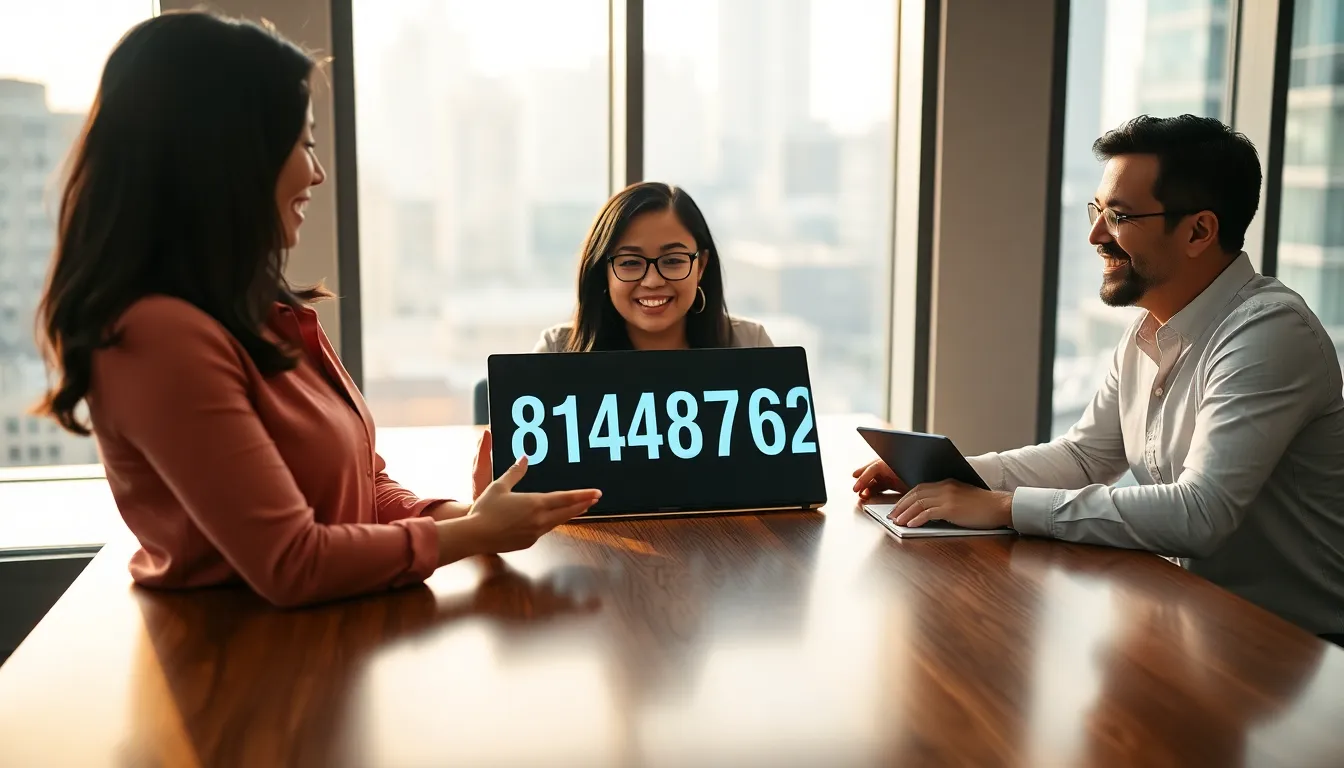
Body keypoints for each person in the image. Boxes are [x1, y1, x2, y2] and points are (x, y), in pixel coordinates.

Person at [35, 11, 600, 609]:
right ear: (228, 155)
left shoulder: (267, 310)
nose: (318, 171)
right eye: (303, 143)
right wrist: (468, 535)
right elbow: (293, 562)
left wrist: (472, 517)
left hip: (330, 645)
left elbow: (365, 487)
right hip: (241, 670)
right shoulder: (158, 336)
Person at [853, 114, 1344, 640]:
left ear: (1199, 230)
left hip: (1297, 656)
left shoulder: (1269, 331)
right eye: (1097, 211)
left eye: (1120, 216)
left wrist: (1002, 506)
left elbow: (1202, 512)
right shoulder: (1147, 332)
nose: (1094, 235)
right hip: (1194, 626)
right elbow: (1085, 458)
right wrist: (950, 477)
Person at [534, 182, 772, 352]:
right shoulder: (557, 351)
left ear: (701, 266)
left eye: (672, 261)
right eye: (629, 263)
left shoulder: (750, 343)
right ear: (603, 272)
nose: (652, 281)